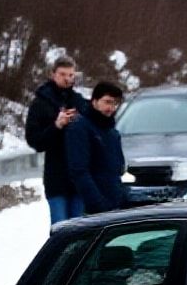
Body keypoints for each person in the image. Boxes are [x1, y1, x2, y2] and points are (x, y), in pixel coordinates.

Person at [25, 55, 89, 223]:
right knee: (60, 229)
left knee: (81, 230)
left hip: (78, 178)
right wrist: (57, 126)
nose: (67, 79)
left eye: (71, 75)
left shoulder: (79, 102)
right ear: (53, 74)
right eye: (63, 74)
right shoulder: (41, 103)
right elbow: (34, 140)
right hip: (56, 178)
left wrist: (79, 122)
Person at [64, 82, 127, 215]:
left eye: (115, 104)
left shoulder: (112, 132)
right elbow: (79, 171)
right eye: (107, 102)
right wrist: (98, 205)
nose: (111, 108)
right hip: (93, 209)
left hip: (114, 204)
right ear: (94, 101)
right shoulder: (80, 128)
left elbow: (118, 168)